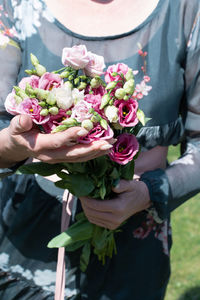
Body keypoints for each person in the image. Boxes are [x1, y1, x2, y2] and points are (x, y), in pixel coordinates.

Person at [0, 0, 199, 299]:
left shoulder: (186, 9)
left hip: (133, 255)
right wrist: (12, 147)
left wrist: (149, 192)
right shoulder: (14, 6)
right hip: (24, 247)